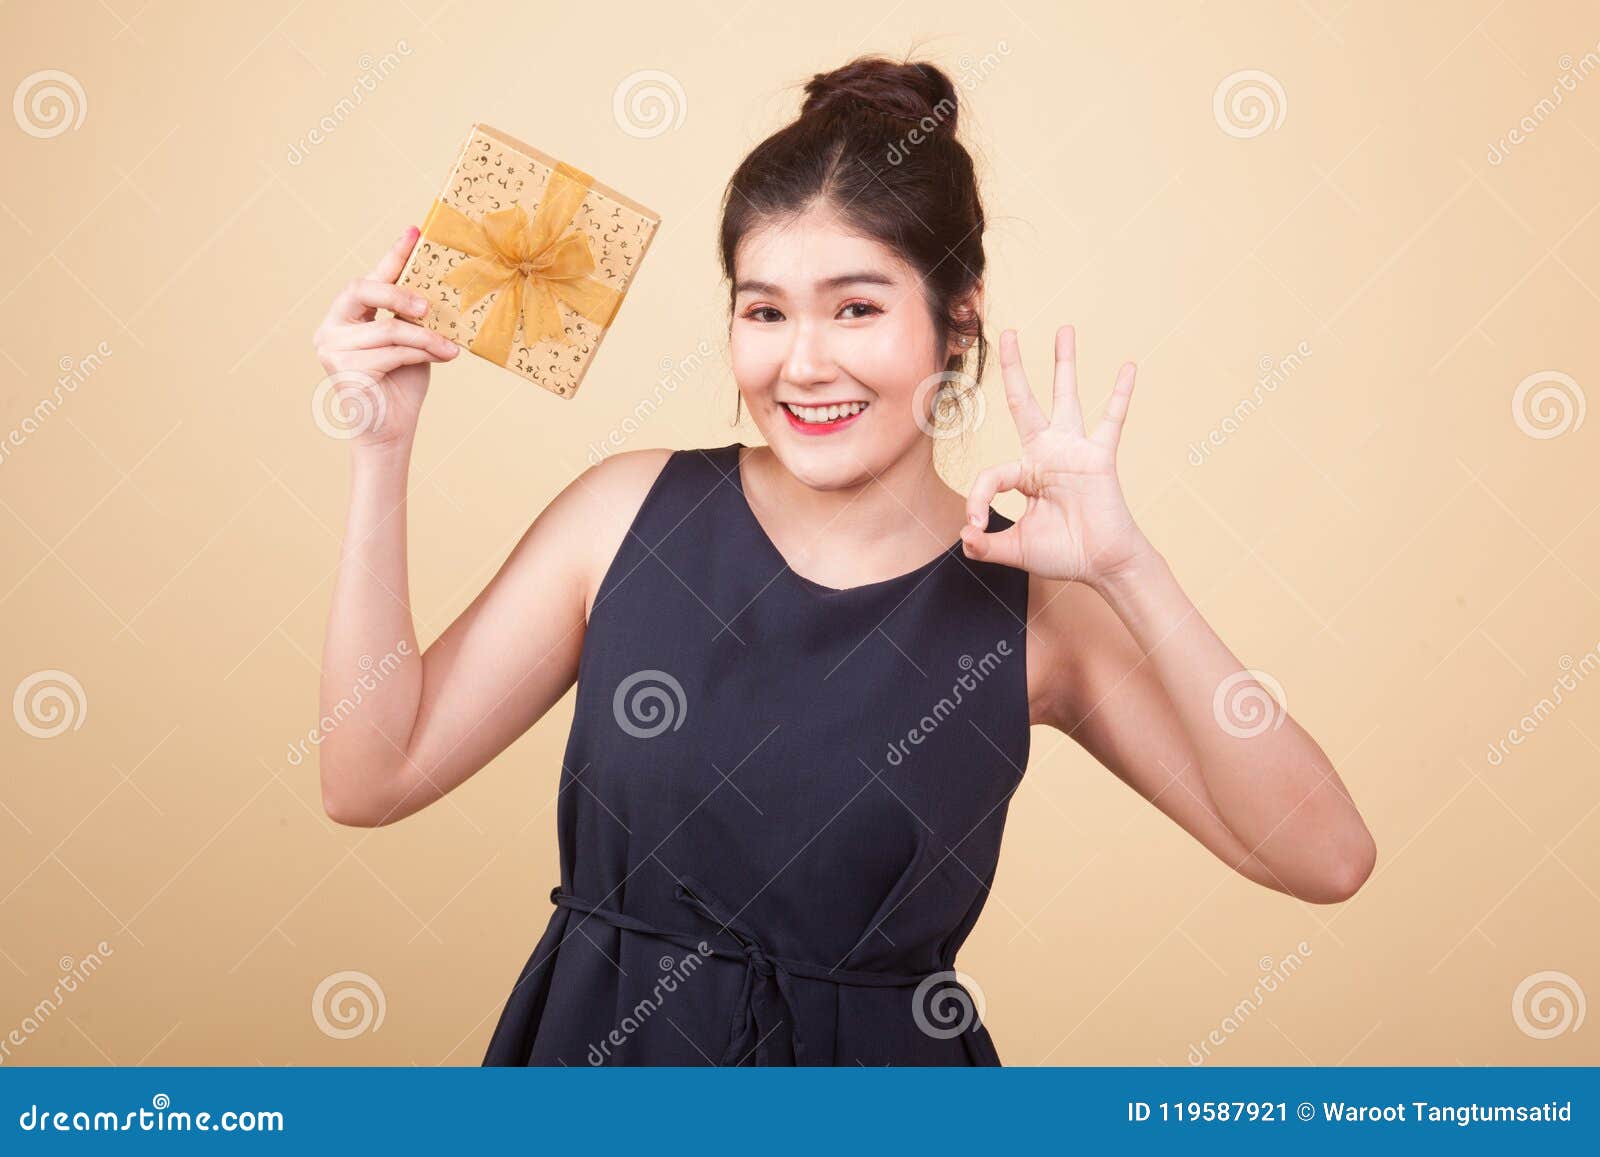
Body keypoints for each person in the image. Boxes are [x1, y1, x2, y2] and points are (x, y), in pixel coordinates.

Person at [310, 54, 1376, 1066]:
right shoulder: (622, 515)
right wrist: (381, 448)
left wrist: (1130, 570)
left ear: (956, 319)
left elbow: (1324, 857)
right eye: (764, 311)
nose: (803, 361)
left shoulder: (1030, 602)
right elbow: (371, 775)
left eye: (857, 308)